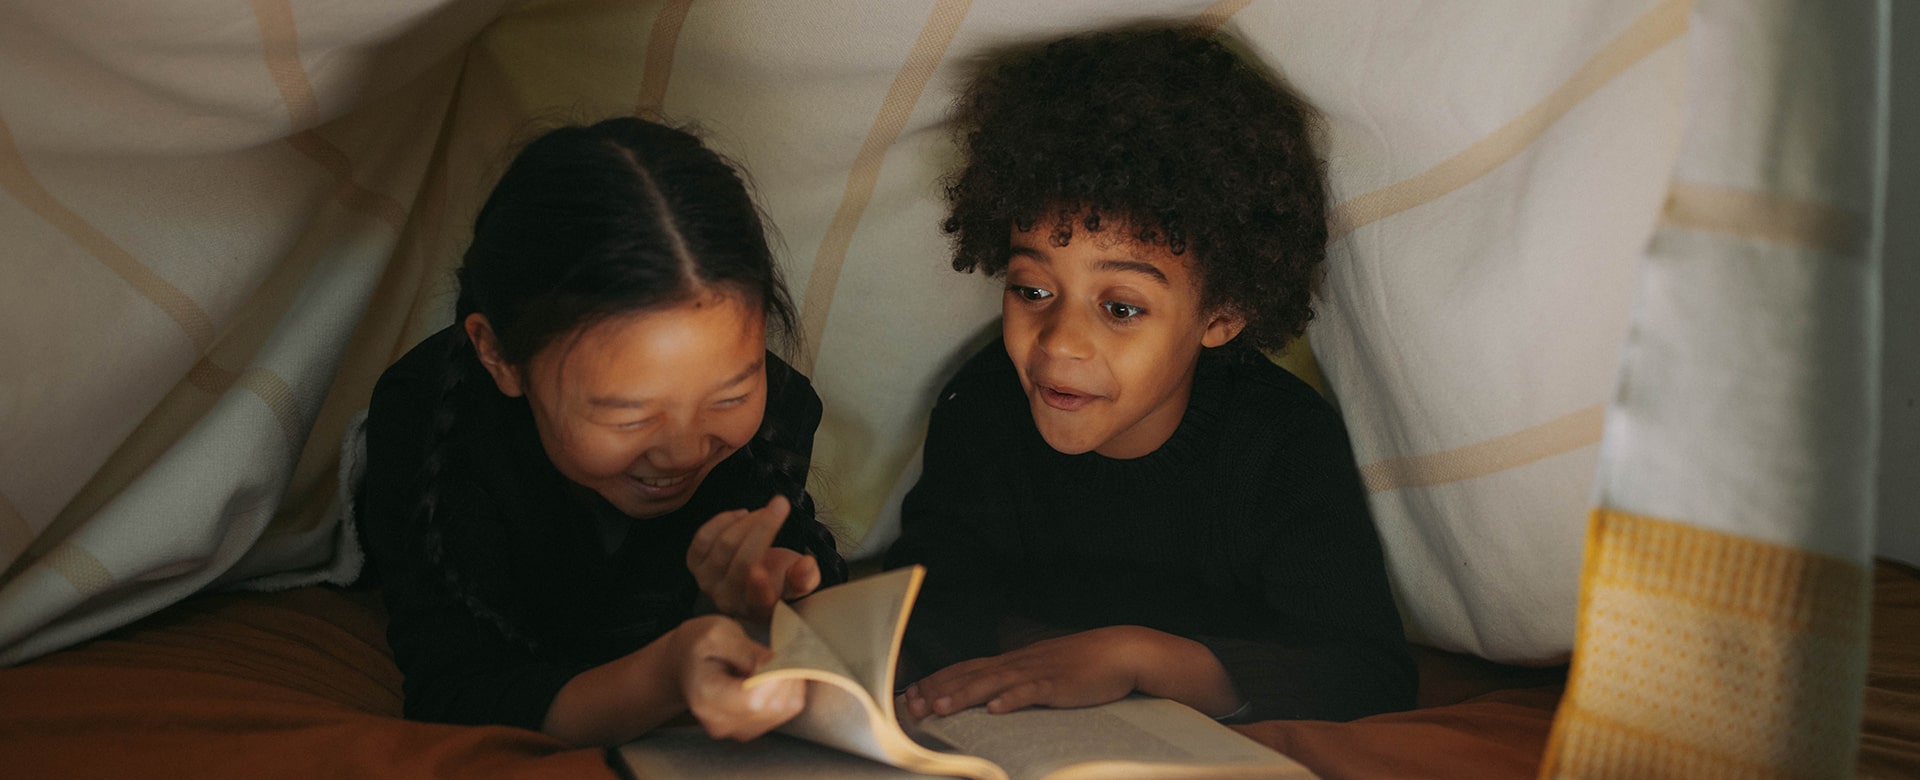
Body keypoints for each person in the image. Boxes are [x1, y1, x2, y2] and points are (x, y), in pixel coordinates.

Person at [884, 27, 1416, 724]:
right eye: (1032, 290)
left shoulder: (1282, 447)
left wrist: (1136, 658)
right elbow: (929, 610)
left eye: (1121, 308)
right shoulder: (982, 411)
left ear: (1222, 315)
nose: (1060, 342)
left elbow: (1367, 675)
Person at [356, 116, 847, 746]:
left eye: (730, 395)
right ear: (500, 356)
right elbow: (458, 692)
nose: (684, 450)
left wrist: (763, 605)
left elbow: (776, 612)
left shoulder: (777, 412)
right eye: (629, 415)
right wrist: (665, 677)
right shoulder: (429, 420)